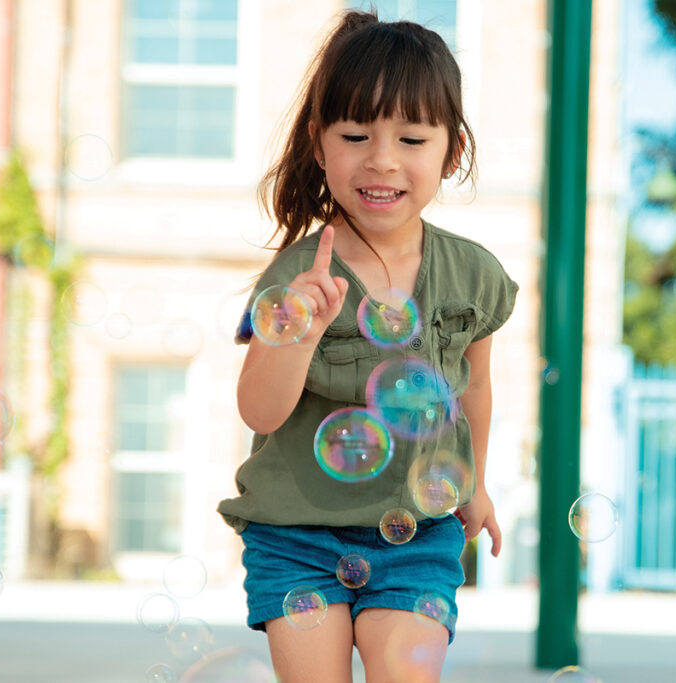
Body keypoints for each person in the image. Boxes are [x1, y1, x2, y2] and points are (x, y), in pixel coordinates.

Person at [219, 9, 518, 682]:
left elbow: (473, 386)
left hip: (416, 532)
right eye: (356, 134)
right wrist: (300, 331)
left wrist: (473, 484)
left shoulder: (474, 275)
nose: (382, 158)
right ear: (320, 148)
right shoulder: (298, 275)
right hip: (295, 536)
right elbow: (260, 411)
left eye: (412, 137)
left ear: (454, 151)